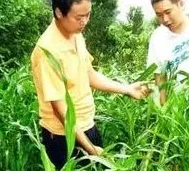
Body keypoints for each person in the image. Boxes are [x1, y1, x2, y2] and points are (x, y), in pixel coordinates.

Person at [30, 0, 150, 169]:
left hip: (87, 124)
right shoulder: (47, 52)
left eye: (88, 14)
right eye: (79, 17)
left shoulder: (75, 34)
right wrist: (89, 148)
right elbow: (61, 110)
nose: (85, 21)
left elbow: (89, 74)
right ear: (58, 13)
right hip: (63, 137)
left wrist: (127, 89)